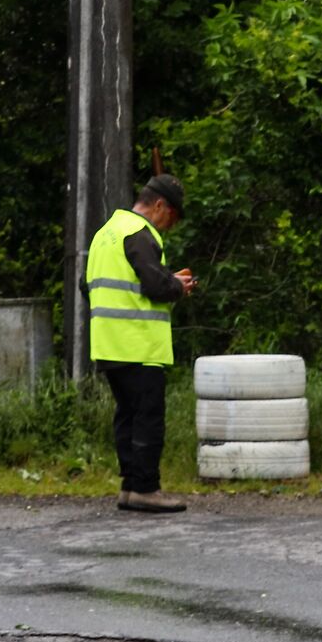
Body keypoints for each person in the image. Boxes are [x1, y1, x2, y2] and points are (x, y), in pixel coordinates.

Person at [84, 174, 196, 513]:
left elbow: (84, 283)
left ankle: (130, 487)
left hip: (109, 345)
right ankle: (146, 489)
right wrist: (178, 286)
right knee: (148, 417)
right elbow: (153, 285)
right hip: (139, 345)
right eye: (172, 217)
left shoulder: (106, 234)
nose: (170, 227)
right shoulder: (140, 235)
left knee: (127, 417)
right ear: (159, 205)